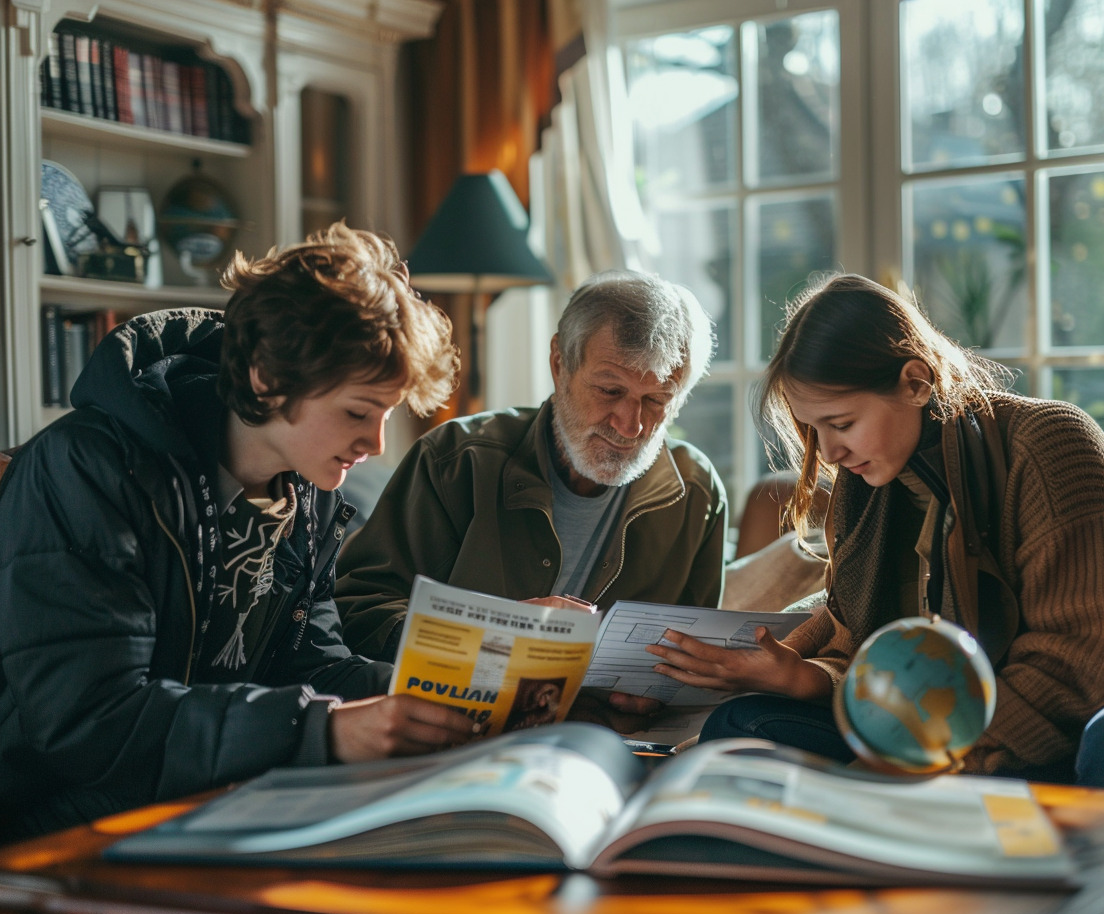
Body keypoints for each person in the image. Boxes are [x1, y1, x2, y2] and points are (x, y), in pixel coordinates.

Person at [647, 272, 1104, 794]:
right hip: (957, 717)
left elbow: (1070, 675)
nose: (827, 451)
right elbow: (861, 640)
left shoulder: (1052, 442)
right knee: (742, 727)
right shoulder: (868, 482)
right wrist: (799, 676)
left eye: (843, 423)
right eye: (814, 429)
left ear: (916, 382)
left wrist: (908, 773)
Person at [0, 223, 482, 842]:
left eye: (386, 415)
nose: (376, 443)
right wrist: (323, 731)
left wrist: (439, 697)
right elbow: (91, 722)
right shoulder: (89, 469)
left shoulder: (300, 487)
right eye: (358, 413)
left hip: (204, 798)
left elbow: (308, 665)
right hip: (53, 820)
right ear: (266, 380)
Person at [335, 269, 727, 729]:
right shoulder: (455, 462)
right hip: (455, 730)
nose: (630, 425)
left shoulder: (696, 492)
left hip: (611, 743)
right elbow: (357, 609)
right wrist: (493, 638)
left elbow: (688, 660)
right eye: (610, 390)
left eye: (658, 399)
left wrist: (659, 690)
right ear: (560, 363)